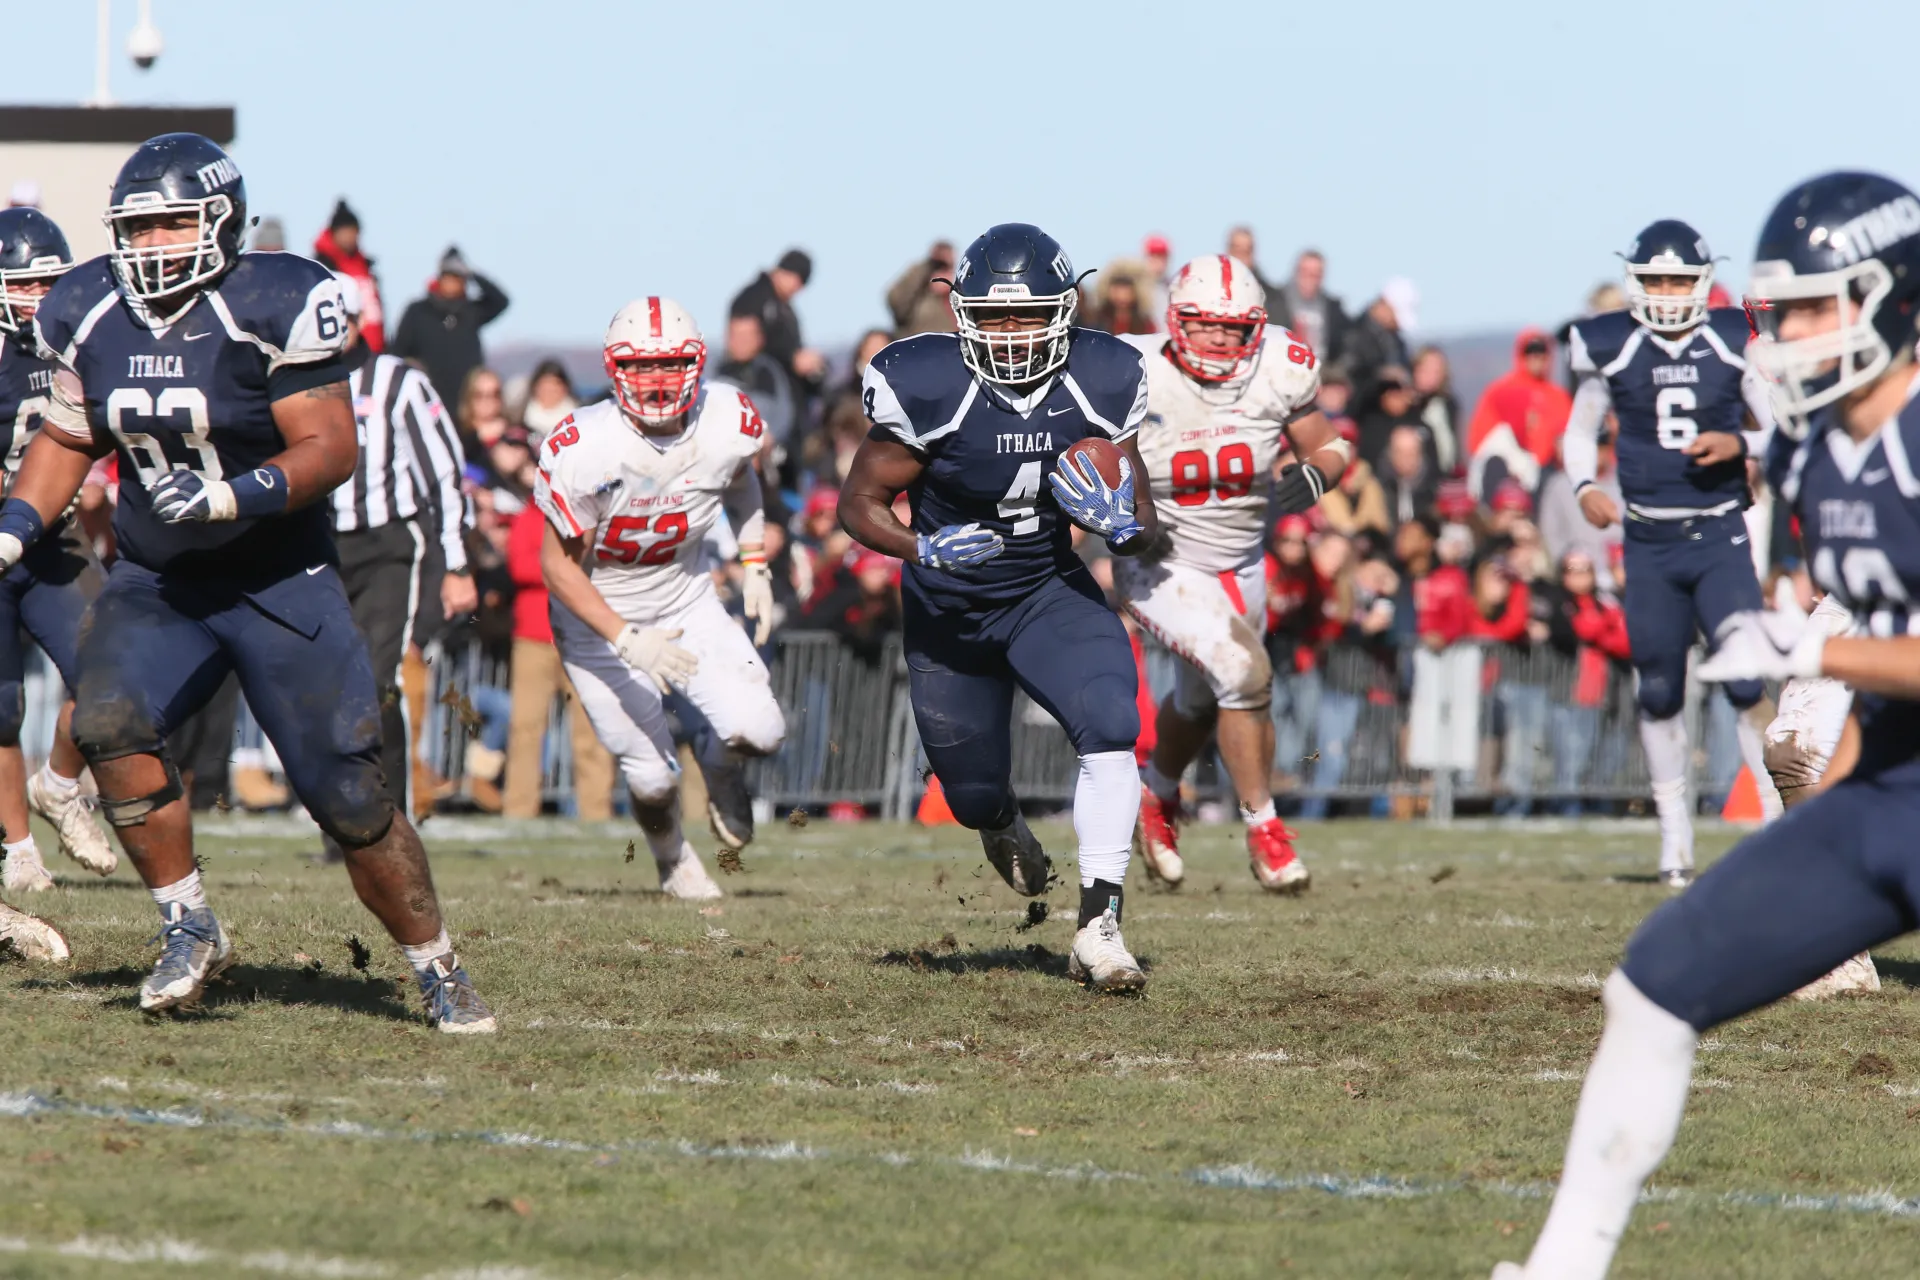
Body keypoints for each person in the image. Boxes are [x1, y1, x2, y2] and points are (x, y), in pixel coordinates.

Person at [1492, 169, 1920, 1280]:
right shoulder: (1818, 453)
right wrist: (1825, 807)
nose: (1791, 333)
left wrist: (1811, 652)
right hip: (1897, 785)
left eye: (1821, 304)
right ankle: (1558, 1267)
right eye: (1782, 309)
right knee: (1653, 983)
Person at [0, 134, 491, 1030]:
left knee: (348, 797)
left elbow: (329, 446)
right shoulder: (88, 309)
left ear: (220, 222)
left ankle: (436, 963)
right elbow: (68, 437)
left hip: (280, 577)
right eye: (136, 231)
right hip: (162, 581)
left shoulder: (275, 298)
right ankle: (188, 926)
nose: (150, 249)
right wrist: (14, 527)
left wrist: (232, 492)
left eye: (170, 227)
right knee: (107, 720)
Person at [838, 223, 1159, 991]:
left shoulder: (1099, 377)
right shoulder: (929, 385)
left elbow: (1141, 513)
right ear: (962, 314)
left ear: (1064, 309)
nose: (1010, 333)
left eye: (1026, 314)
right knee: (974, 792)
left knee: (1114, 723)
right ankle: (1002, 824)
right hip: (951, 609)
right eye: (992, 316)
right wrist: (923, 549)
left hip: (1045, 589)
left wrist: (1124, 526)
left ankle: (1099, 926)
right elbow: (860, 503)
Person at [534, 297, 786, 896]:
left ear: (696, 364)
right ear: (615, 369)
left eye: (671, 364)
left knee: (762, 729)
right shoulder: (585, 444)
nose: (657, 380)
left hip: (685, 598)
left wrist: (754, 562)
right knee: (650, 777)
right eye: (642, 366)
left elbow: (743, 478)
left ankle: (721, 770)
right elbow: (556, 567)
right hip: (599, 617)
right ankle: (671, 856)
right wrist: (623, 635)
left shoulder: (725, 415)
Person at [1116, 255, 1351, 892]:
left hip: (1242, 560)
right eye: (1202, 325)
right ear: (1173, 321)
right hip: (1160, 561)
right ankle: (1265, 829)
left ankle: (1156, 797)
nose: (1219, 340)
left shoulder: (1280, 364)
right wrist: (1117, 516)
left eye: (1234, 328)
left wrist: (1317, 473)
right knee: (1245, 674)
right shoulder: (1131, 372)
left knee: (1200, 701)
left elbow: (1335, 444)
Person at [1561, 219, 1782, 887]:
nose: (1664, 291)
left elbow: (1782, 427)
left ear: (1702, 282)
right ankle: (1675, 840)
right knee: (1658, 690)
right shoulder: (1614, 345)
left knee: (1747, 680)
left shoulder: (1731, 340)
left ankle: (1775, 827)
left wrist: (1740, 445)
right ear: (1634, 280)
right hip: (1649, 538)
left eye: (1677, 280)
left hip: (1718, 533)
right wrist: (1582, 486)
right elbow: (1579, 431)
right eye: (1654, 278)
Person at [326, 273, 474, 856]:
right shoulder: (289, 382)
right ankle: (341, 819)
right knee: (326, 684)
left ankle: (390, 823)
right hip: (319, 547)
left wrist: (457, 564)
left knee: (376, 683)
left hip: (387, 546)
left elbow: (444, 471)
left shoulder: (398, 382)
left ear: (360, 321)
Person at [0, 207, 116, 893]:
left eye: (50, 285)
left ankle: (62, 783)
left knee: (110, 668)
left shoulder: (82, 344)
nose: (40, 301)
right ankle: (16, 849)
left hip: (52, 537)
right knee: (1, 703)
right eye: (24, 286)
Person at [389, 246, 509, 409]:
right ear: (439, 279)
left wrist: (472, 273)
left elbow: (501, 301)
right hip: (430, 398)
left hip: (466, 402)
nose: (452, 283)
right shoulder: (418, 311)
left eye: (458, 278)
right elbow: (398, 351)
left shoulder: (471, 311)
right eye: (448, 277)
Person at [1466, 329, 1573, 499]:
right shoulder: (1500, 392)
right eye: (1530, 351)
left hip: (1548, 476)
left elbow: (1568, 438)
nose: (1536, 357)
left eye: (1541, 351)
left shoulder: (1559, 397)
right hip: (1509, 480)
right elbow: (1479, 441)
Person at [730, 248, 825, 395]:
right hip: (760, 389)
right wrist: (792, 360)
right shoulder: (754, 299)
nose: (797, 289)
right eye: (798, 281)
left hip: (785, 391)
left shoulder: (783, 305)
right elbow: (742, 349)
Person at [311, 200, 383, 352]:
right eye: (345, 231)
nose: (350, 236)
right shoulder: (321, 268)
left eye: (353, 231)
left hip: (370, 349)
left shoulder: (366, 269)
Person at [1266, 249, 1349, 368]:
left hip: (1321, 373)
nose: (1310, 279)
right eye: (1305, 272)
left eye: (1316, 274)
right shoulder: (1275, 303)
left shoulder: (1334, 310)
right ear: (1296, 272)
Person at [885, 240, 957, 339]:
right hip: (919, 350)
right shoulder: (918, 301)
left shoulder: (960, 300)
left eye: (946, 267)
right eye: (937, 266)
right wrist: (927, 267)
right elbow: (895, 300)